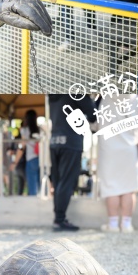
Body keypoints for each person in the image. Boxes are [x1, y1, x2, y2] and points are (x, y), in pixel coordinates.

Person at [48, 94, 97, 231]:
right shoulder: (77, 91)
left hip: (54, 141)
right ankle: (59, 220)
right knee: (67, 182)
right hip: (71, 141)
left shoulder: (51, 94)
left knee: (58, 182)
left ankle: (58, 218)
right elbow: (93, 114)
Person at [97, 95, 138, 232]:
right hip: (129, 147)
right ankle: (126, 224)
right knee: (129, 189)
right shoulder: (136, 98)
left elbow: (94, 122)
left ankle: (112, 225)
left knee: (111, 187)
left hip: (108, 149)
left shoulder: (103, 97)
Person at [12, 109, 41, 197]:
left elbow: (22, 147)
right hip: (41, 159)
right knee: (40, 184)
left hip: (31, 159)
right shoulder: (40, 129)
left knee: (32, 187)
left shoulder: (25, 130)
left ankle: (34, 206)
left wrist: (15, 162)